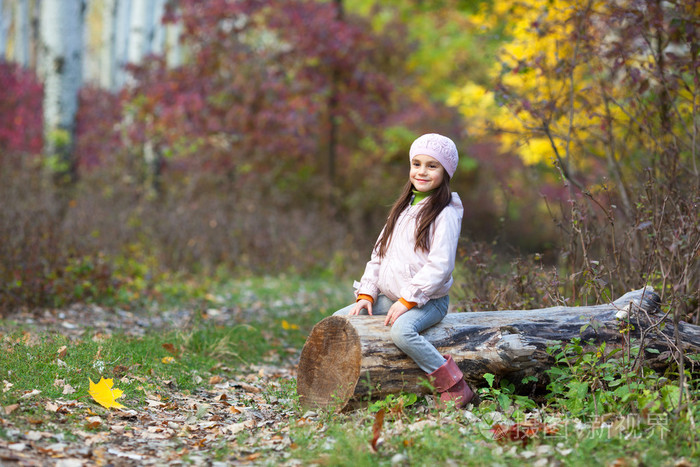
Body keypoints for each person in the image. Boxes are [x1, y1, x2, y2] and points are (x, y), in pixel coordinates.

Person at [333, 133, 477, 408]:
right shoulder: (401, 208)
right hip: (393, 296)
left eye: (432, 166)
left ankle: (454, 386)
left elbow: (441, 266)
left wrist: (408, 300)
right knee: (341, 320)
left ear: (446, 171)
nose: (422, 171)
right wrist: (367, 294)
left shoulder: (444, 213)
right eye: (417, 163)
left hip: (428, 301)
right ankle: (345, 381)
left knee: (402, 332)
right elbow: (379, 254)